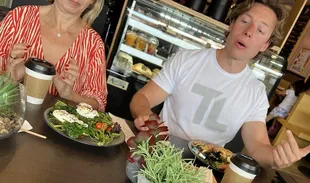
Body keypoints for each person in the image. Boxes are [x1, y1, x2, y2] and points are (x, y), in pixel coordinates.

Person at [130, 0, 310, 169]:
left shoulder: (256, 93)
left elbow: (258, 146)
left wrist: (277, 158)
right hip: (159, 154)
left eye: (261, 31)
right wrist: (144, 113)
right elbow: (142, 98)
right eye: (245, 21)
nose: (249, 31)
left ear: (265, 45)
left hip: (204, 171)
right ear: (231, 24)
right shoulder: (186, 60)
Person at [0, 0, 107, 111]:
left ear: (93, 2)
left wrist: (70, 95)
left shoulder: (94, 43)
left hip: (53, 128)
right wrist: (8, 78)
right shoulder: (19, 17)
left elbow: (98, 104)